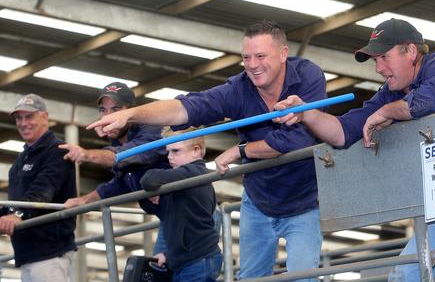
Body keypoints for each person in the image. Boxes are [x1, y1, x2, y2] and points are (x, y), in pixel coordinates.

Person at [274, 18, 435, 281]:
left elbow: (428, 101)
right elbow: (343, 132)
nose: (379, 68)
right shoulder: (393, 91)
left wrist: (388, 111)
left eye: (384, 57)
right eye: (375, 60)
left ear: (411, 51)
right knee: (406, 273)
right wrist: (306, 114)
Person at [87, 20, 327, 281]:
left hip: (304, 202)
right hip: (258, 202)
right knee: (250, 279)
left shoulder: (307, 77)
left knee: (304, 278)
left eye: (260, 56)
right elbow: (187, 107)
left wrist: (240, 151)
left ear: (283, 54)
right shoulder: (238, 89)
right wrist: (132, 115)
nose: (253, 65)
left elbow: (297, 141)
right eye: (246, 57)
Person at [60, 82, 170, 253]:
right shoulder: (121, 138)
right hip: (171, 217)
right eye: (103, 110)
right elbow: (122, 183)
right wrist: (85, 200)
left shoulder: (152, 129)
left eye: (115, 110)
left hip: (189, 213)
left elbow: (125, 156)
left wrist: (87, 155)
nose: (107, 117)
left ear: (130, 111)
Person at [0, 94, 76, 282]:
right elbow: (14, 204)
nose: (23, 123)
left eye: (29, 116)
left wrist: (17, 215)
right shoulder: (21, 160)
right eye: (19, 118)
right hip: (28, 254)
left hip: (49, 253)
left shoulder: (57, 151)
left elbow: (43, 192)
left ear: (44, 117)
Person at [140, 127, 222, 282]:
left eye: (175, 151)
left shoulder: (195, 172)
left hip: (198, 260)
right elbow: (155, 208)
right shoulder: (178, 183)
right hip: (187, 261)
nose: (169, 157)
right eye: (168, 152)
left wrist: (154, 187)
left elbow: (148, 179)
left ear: (196, 151)